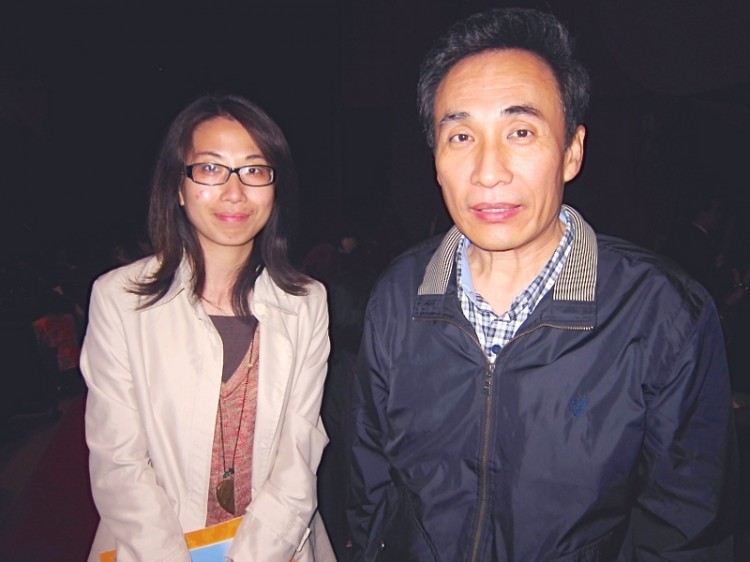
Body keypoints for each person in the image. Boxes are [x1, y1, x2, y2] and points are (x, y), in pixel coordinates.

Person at [347, 8, 737, 561]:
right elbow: (371, 487)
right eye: (461, 136)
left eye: (521, 132)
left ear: (572, 151)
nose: (489, 171)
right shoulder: (396, 296)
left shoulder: (663, 314)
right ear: (435, 160)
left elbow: (686, 531)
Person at [81, 94, 335, 561]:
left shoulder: (306, 303)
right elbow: (118, 462)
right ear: (178, 187)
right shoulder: (120, 300)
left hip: (277, 547)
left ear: (274, 187)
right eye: (211, 168)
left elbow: (299, 454)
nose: (234, 191)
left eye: (254, 170)